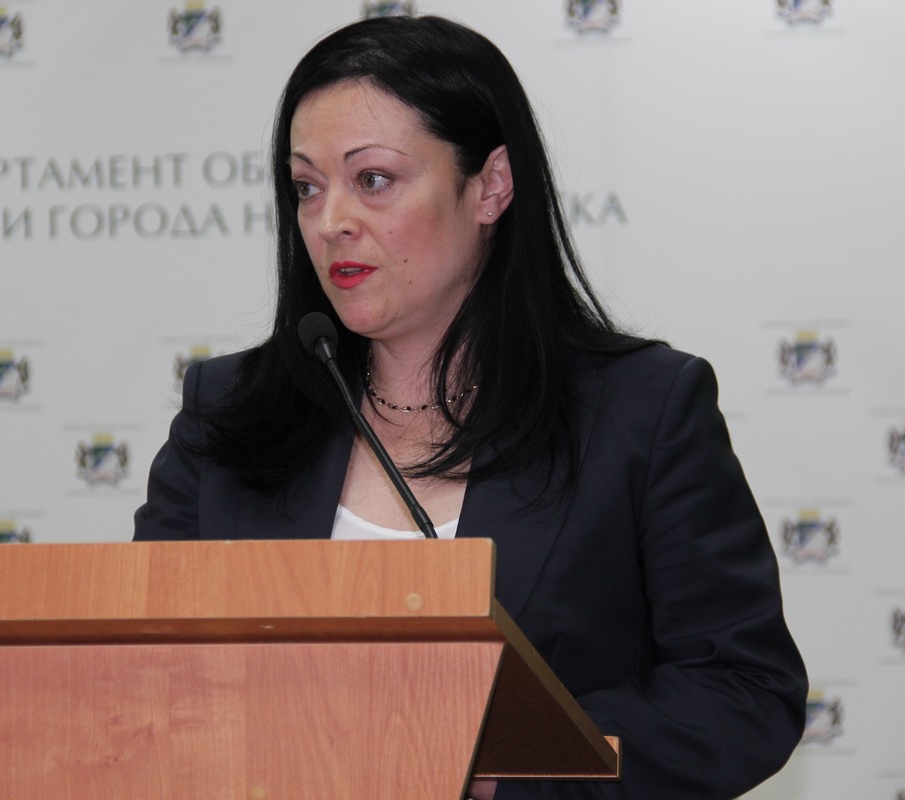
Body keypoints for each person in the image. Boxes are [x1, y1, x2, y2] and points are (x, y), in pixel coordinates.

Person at [134, 14, 806, 799]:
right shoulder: (226, 412)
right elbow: (142, 673)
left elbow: (742, 691)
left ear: (491, 186)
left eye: (372, 180)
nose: (331, 221)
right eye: (307, 187)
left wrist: (496, 760)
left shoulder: (640, 412)